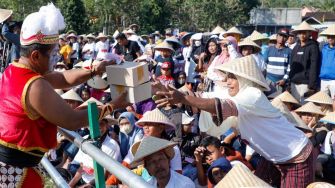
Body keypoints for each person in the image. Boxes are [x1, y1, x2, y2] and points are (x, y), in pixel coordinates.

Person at [0, 4, 127, 187]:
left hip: (13, 167)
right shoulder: (35, 85)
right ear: (35, 56)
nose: (56, 58)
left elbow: (62, 78)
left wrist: (93, 69)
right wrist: (112, 106)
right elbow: (72, 120)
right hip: (17, 175)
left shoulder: (16, 68)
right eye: (52, 54)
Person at [155, 55, 315, 188]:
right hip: (274, 157)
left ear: (245, 79)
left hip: (295, 156)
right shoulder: (238, 98)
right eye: (227, 76)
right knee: (255, 185)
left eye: (232, 77)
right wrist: (178, 99)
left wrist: (184, 98)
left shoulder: (253, 95)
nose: (227, 80)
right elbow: (208, 106)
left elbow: (219, 105)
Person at [69, 116, 121, 187]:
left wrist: (87, 185)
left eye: (101, 124)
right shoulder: (85, 139)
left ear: (107, 126)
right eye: (94, 124)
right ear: (88, 126)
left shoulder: (112, 146)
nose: (98, 127)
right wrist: (70, 185)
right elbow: (81, 167)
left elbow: (106, 174)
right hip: (83, 179)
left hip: (98, 183)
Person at [131, 136, 195, 188]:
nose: (158, 165)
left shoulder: (185, 185)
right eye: (152, 162)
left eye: (161, 159)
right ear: (147, 168)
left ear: (168, 161)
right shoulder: (148, 184)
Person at [289, 21, 320, 103]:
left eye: (304, 33)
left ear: (309, 33)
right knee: (294, 107)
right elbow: (291, 65)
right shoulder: (296, 47)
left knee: (304, 107)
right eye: (300, 33)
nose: (302, 35)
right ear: (297, 34)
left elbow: (314, 66)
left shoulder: (313, 47)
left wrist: (312, 86)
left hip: (305, 84)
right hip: (294, 82)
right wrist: (289, 81)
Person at [264, 28, 292, 94]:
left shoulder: (289, 51)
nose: (282, 38)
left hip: (281, 83)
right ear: (276, 36)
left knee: (278, 102)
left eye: (285, 36)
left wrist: (284, 80)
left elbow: (290, 68)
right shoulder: (269, 50)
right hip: (269, 81)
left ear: (287, 38)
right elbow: (264, 65)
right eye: (280, 35)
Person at [319, 25, 335, 97]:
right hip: (323, 79)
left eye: (332, 36)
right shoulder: (323, 48)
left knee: (334, 102)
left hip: (334, 80)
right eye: (328, 36)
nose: (330, 38)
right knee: (323, 104)